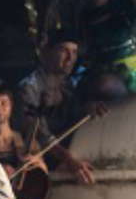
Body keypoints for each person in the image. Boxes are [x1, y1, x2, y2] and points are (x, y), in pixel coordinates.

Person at [16, 29, 100, 187]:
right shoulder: (29, 87)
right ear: (47, 52)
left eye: (74, 52)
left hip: (69, 154)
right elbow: (39, 134)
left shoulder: (71, 85)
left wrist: (89, 107)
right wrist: (70, 161)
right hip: (37, 162)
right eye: (64, 50)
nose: (70, 58)